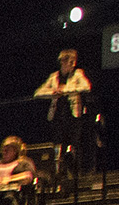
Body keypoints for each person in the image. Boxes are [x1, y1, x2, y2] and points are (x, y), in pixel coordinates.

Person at [33, 47, 96, 179]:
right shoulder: (54, 77)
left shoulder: (77, 74)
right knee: (58, 144)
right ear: (62, 62)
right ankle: (59, 173)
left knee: (74, 143)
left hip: (73, 115)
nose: (72, 64)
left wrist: (66, 90)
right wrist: (53, 92)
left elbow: (86, 87)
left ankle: (75, 173)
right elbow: (38, 93)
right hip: (57, 115)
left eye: (74, 61)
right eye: (69, 61)